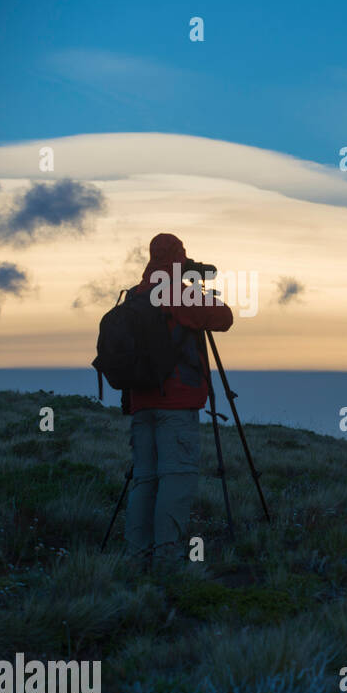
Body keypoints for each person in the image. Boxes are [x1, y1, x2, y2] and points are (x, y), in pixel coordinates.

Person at [123, 233, 234, 565]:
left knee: (145, 479)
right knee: (177, 476)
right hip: (176, 404)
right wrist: (198, 290)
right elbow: (224, 317)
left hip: (140, 402)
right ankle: (167, 558)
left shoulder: (136, 295)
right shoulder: (177, 294)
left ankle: (136, 555)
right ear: (179, 258)